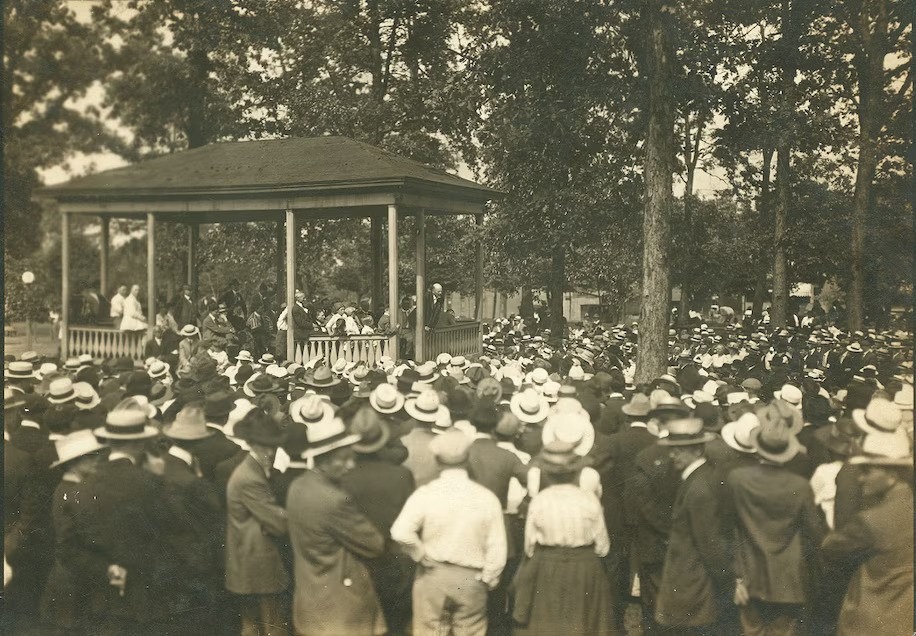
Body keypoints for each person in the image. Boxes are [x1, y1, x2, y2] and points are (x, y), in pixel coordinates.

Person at [391, 428, 507, 636]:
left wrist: (419, 553)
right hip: (472, 578)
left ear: (437, 460)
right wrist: (489, 578)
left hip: (433, 574)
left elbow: (400, 531)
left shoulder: (426, 494)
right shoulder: (486, 497)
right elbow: (497, 547)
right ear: (467, 458)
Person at [728, 402, 828, 635]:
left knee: (751, 630)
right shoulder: (800, 486)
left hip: (749, 574)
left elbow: (727, 527)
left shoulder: (738, 479)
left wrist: (735, 576)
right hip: (787, 578)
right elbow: (814, 532)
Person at [286, 416, 387, 636]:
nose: (350, 465)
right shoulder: (334, 500)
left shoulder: (297, 486)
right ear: (323, 460)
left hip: (310, 599)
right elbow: (374, 544)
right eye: (343, 459)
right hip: (341, 606)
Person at [510, 439, 614, 636]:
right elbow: (603, 546)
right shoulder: (588, 499)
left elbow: (529, 546)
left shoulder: (540, 500)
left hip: (548, 565)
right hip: (585, 565)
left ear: (547, 472)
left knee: (549, 620)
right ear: (576, 471)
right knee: (584, 620)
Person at [654, 417, 736, 635]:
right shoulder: (697, 478)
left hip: (694, 580)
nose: (672, 455)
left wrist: (727, 579)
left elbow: (710, 543)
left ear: (697, 450)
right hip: (690, 577)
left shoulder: (699, 488)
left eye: (678, 450)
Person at [820, 447, 913, 634]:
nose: (861, 478)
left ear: (891, 475)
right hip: (904, 617)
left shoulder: (872, 520)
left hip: (868, 618)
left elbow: (830, 547)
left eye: (867, 471)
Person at [225, 408, 290, 636]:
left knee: (255, 623)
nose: (271, 451)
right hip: (257, 561)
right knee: (272, 624)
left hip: (249, 558)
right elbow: (278, 523)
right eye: (266, 446)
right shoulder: (250, 477)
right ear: (254, 444)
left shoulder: (251, 470)